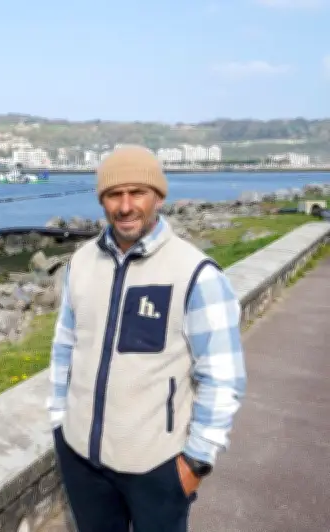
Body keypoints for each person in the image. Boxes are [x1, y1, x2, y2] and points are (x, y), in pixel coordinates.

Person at [46, 145, 247, 532]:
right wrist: (60, 421)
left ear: (158, 196)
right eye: (113, 194)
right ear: (101, 200)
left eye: (136, 192)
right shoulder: (82, 262)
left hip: (157, 464)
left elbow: (223, 377)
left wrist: (197, 461)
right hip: (82, 457)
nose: (125, 206)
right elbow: (64, 347)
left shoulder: (195, 273)